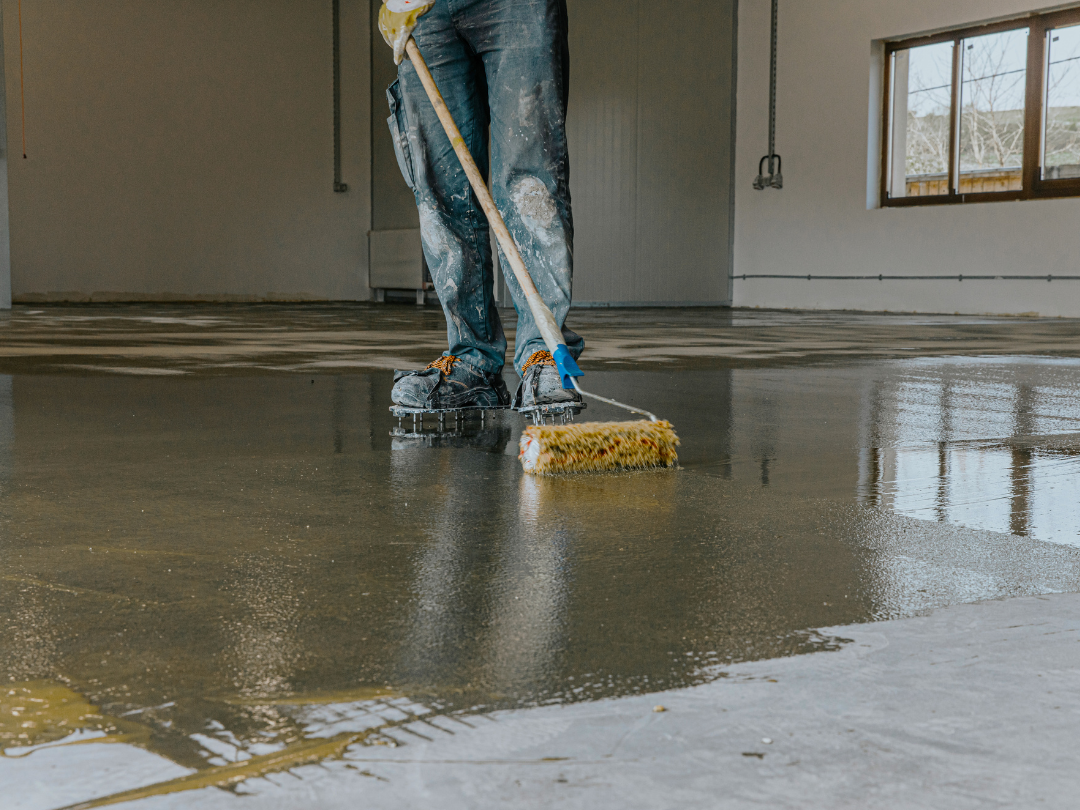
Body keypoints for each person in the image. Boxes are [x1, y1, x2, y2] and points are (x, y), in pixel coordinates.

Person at [378, 0, 584, 410]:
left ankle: (545, 353)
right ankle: (471, 361)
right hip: (423, 9)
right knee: (442, 188)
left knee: (530, 178)